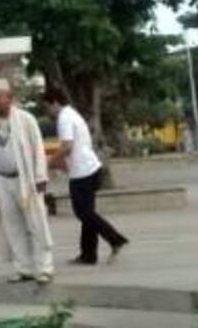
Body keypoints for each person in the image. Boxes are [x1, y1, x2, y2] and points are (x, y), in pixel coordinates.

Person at [0, 78, 55, 284]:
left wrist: (40, 176)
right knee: (13, 226)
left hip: (26, 180)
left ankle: (45, 268)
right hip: (2, 182)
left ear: (10, 98)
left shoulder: (26, 119)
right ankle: (24, 269)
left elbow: (38, 148)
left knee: (36, 223)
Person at [43, 86, 129, 265]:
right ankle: (88, 255)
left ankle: (115, 239)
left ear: (54, 103)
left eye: (47, 107)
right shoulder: (71, 114)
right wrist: (61, 165)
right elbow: (73, 148)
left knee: (83, 212)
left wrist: (49, 162)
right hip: (89, 168)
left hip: (83, 172)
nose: (47, 112)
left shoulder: (64, 118)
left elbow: (67, 146)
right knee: (86, 212)